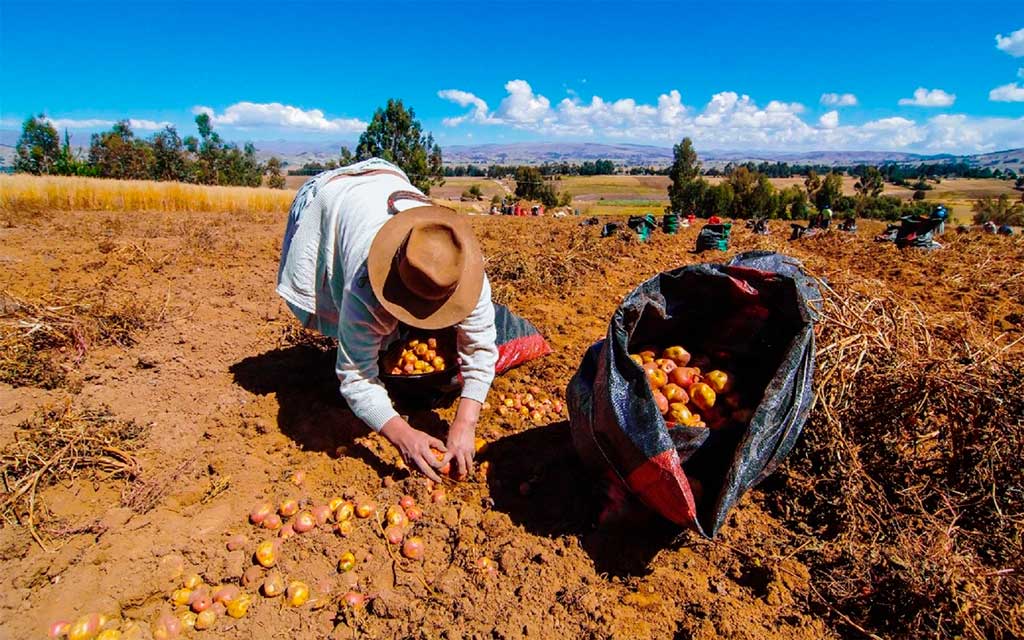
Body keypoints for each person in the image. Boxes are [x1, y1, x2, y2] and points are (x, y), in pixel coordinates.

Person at [277, 158, 498, 481]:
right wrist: (402, 435)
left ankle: (376, 340)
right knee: (358, 341)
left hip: (385, 179)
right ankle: (362, 342)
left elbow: (480, 347)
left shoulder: (462, 271)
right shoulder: (363, 285)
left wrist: (466, 421)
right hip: (333, 198)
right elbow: (356, 376)